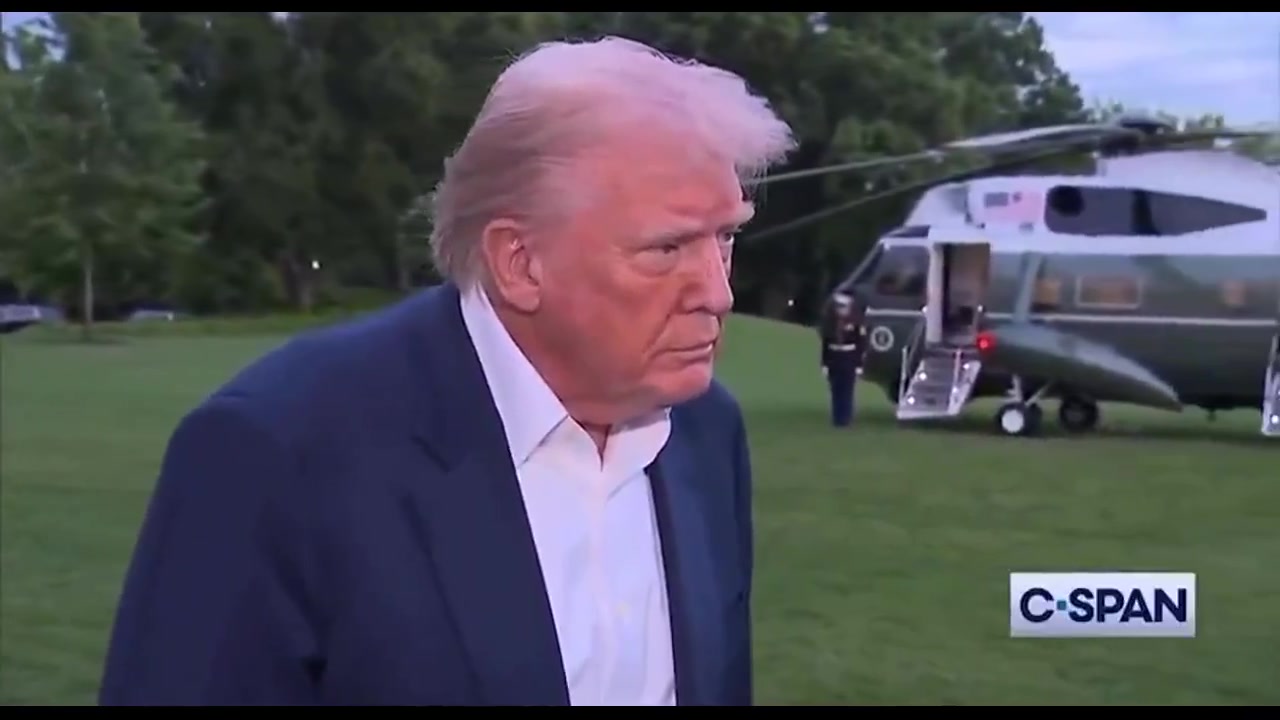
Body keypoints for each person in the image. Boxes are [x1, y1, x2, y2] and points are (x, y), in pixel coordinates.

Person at [97, 36, 795, 707]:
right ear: (520, 262)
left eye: (725, 237)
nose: (718, 292)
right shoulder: (274, 452)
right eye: (667, 248)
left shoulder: (707, 432)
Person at [820, 294, 865, 427]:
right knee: (835, 389)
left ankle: (845, 419)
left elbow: (860, 345)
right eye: (839, 307)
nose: (841, 310)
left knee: (847, 390)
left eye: (844, 307)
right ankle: (837, 418)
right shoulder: (830, 323)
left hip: (849, 358)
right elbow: (826, 344)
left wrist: (859, 364)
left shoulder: (855, 322)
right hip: (834, 358)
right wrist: (824, 363)